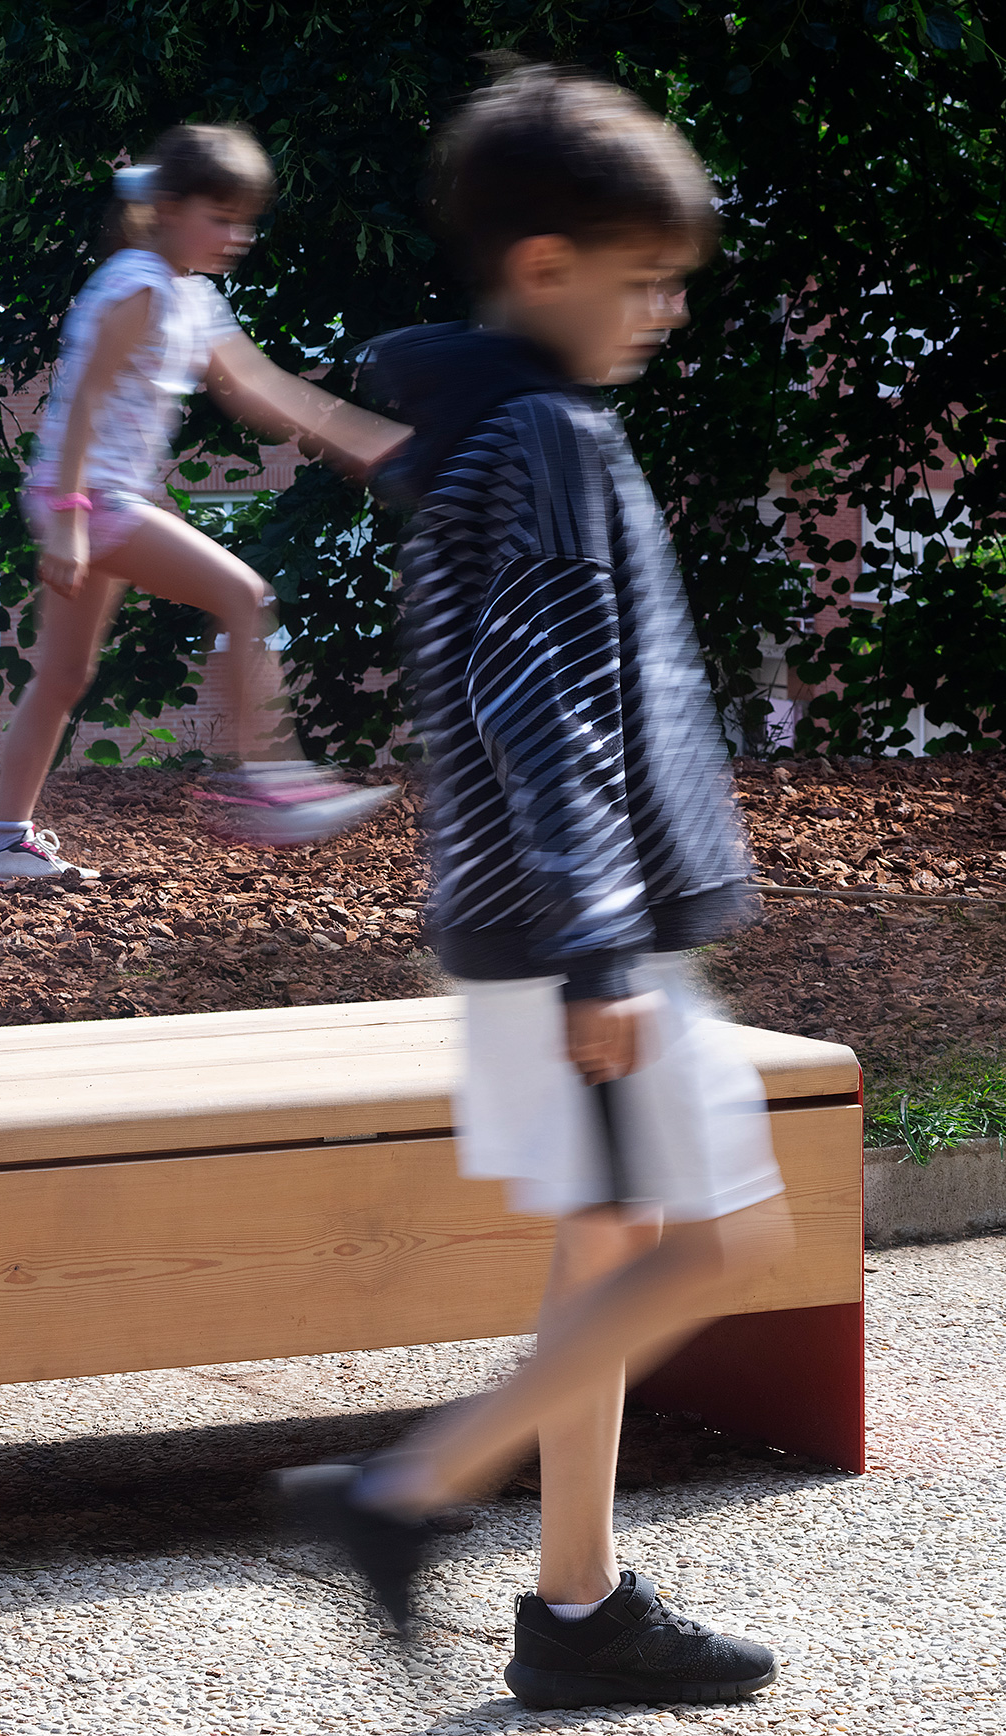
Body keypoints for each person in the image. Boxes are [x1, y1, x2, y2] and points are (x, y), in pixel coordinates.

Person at [269, 67, 795, 1712]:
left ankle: (575, 1608)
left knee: (613, 1249)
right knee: (713, 1245)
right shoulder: (549, 440)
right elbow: (546, 696)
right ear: (548, 266)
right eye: (645, 280)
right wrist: (598, 954)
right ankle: (400, 1497)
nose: (664, 313)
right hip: (586, 936)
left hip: (553, 930)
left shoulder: (492, 436)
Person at [0, 124, 411, 885]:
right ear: (169, 210)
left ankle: (2, 843)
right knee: (244, 595)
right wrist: (72, 522)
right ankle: (270, 783)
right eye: (220, 217)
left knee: (65, 676)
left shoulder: (190, 295)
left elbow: (261, 389)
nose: (236, 236)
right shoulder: (137, 285)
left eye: (245, 221)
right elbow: (80, 408)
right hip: (88, 500)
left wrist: (370, 440)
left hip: (95, 499)